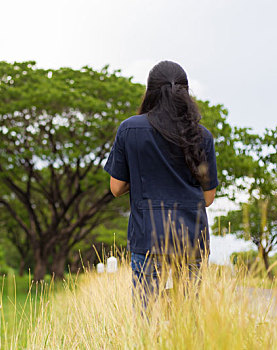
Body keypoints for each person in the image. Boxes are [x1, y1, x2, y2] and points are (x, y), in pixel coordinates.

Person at [103, 61, 218, 306]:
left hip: (147, 237)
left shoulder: (129, 129)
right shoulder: (202, 135)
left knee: (146, 320)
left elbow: (116, 188)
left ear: (150, 91)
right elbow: (208, 198)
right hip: (191, 239)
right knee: (187, 322)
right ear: (185, 93)